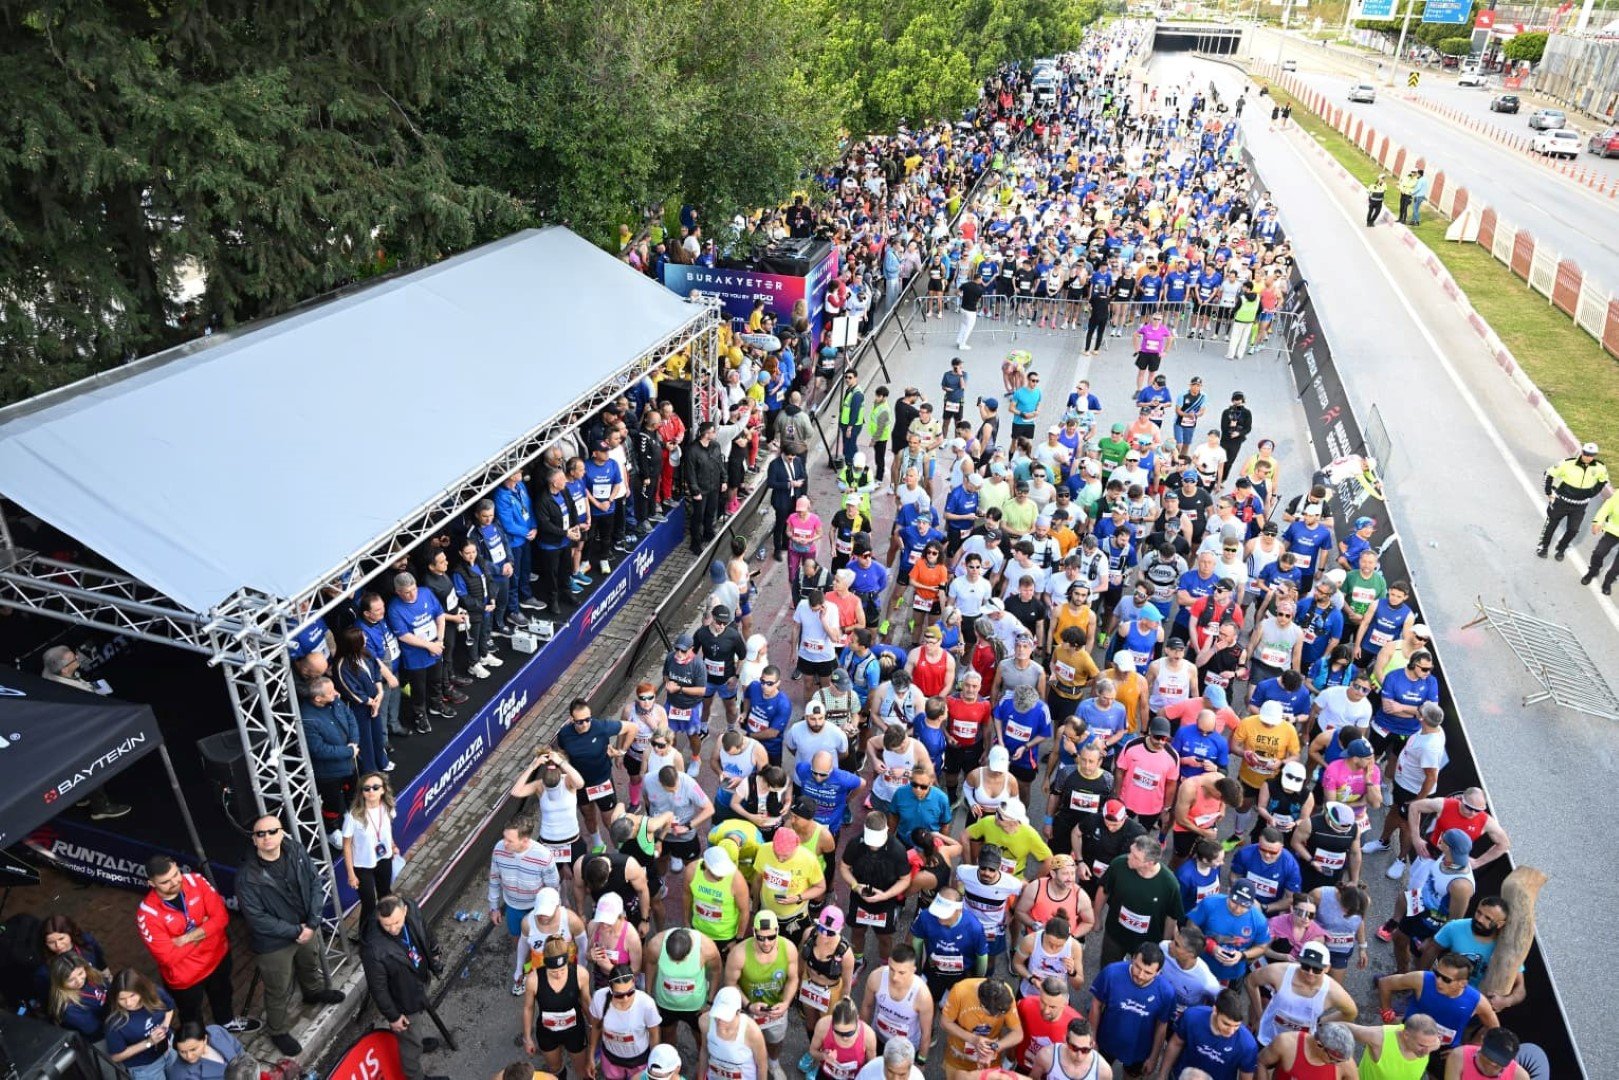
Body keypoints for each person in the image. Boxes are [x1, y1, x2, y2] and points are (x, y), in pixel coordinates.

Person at [235, 813, 346, 1056]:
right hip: (274, 942)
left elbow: (315, 883)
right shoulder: (246, 877)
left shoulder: (295, 849)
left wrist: (313, 921)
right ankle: (278, 1031)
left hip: (306, 926)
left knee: (310, 965)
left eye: (272, 831)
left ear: (282, 832)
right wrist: (297, 931)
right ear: (254, 840)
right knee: (278, 989)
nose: (267, 837)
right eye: (260, 834)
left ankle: (313, 993)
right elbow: (257, 919)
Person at [137, 855, 252, 1033]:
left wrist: (186, 938)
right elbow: (167, 957)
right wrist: (205, 931)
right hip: (186, 978)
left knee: (223, 995)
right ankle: (197, 1042)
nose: (174, 882)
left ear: (177, 866)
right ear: (152, 884)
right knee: (190, 1015)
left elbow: (221, 918)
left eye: (176, 874)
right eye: (165, 882)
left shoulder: (196, 881)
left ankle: (227, 1023)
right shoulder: (148, 914)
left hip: (217, 957)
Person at [361, 895, 446, 1080]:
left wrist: (434, 952)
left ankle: (418, 1042)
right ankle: (416, 1075)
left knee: (415, 1031)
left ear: (405, 911)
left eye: (397, 922)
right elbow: (379, 989)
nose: (393, 929)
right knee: (410, 1044)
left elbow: (425, 930)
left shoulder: (412, 910)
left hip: (417, 981)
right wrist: (393, 1016)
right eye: (387, 925)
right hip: (403, 1000)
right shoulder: (373, 949)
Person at [488, 814, 560, 994]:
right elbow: (494, 878)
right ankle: (528, 969)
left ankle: (540, 972)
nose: (504, 843)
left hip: (536, 910)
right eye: (504, 837)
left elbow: (553, 887)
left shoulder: (544, 856)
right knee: (518, 942)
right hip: (512, 907)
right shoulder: (499, 849)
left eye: (509, 840)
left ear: (525, 840)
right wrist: (494, 906)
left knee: (540, 944)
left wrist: (553, 913)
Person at [1094, 836, 1185, 968]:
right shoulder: (1119, 864)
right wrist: (1097, 918)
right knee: (1108, 970)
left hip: (1148, 942)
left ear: (1150, 863)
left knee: (1140, 976)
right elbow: (1104, 890)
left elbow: (1172, 916)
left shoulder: (1170, 884)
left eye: (1135, 857)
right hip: (1115, 934)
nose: (1129, 857)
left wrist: (1164, 944)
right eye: (1131, 851)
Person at [1088, 942, 1174, 1079]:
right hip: (1105, 1041)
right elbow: (1096, 1004)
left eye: (1148, 973)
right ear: (1132, 958)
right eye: (1138, 967)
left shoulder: (1166, 993)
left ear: (1158, 972)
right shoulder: (1111, 973)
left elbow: (1162, 1025)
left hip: (1139, 1051)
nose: (1140, 975)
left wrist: (1153, 1057)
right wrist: (1091, 1037)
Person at [1248, 943, 1358, 1047]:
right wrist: (1260, 1015)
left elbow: (1351, 1012)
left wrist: (1322, 1022)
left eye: (1316, 969)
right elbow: (1250, 981)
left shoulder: (1332, 991)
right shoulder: (1279, 972)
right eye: (1305, 966)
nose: (1310, 972)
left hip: (1300, 1046)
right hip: (1268, 1037)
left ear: (1327, 968)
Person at [522, 938, 594, 1079]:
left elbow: (586, 1002)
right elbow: (528, 1008)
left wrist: (593, 1026)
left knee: (582, 1070)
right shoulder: (533, 979)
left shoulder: (580, 974)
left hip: (575, 1030)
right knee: (555, 1069)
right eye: (553, 971)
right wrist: (527, 1037)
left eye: (562, 969)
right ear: (545, 964)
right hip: (548, 1033)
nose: (558, 974)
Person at [342, 772, 401, 929]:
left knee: (385, 895)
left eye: (375, 787)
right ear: (362, 792)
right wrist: (351, 874)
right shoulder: (353, 816)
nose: (371, 791)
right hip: (362, 864)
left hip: (384, 858)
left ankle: (387, 927)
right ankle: (366, 937)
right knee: (368, 904)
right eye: (366, 788)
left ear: (383, 790)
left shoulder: (388, 807)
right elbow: (346, 845)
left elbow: (387, 831)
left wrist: (393, 845)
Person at [1159, 990, 1259, 1080]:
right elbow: (1176, 1044)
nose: (1231, 1031)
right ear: (1215, 1010)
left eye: (1236, 1025)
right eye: (1226, 1023)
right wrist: (1162, 1075)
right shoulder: (1192, 1017)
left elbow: (1246, 1076)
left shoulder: (1247, 1044)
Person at [589, 964, 663, 1080]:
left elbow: (654, 1034)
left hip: (639, 1061)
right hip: (611, 1059)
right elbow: (596, 1027)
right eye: (619, 994)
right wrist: (591, 1055)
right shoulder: (599, 998)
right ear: (610, 988)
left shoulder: (646, 1004)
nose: (625, 998)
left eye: (630, 992)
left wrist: (654, 1062)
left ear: (634, 982)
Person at [940, 977, 1021, 1080]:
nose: (998, 1017)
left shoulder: (1005, 994)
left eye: (1001, 1014)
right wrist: (974, 1039)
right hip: (959, 1054)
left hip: (989, 1058)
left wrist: (994, 1047)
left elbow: (1018, 1034)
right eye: (993, 1014)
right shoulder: (959, 990)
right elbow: (944, 1022)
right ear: (981, 1004)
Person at [103, 968, 177, 1080]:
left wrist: (165, 1026)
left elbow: (169, 1008)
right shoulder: (115, 1023)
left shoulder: (155, 993)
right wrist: (149, 1042)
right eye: (121, 999)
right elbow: (116, 1056)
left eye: (132, 996)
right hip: (146, 1067)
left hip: (170, 1049)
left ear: (142, 990)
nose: (128, 1003)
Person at [1537, 441, 1606, 560]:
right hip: (1561, 502)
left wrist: (1592, 493)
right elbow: (1548, 474)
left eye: (1591, 455)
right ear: (1582, 452)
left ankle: (1561, 549)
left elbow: (1602, 481)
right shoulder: (1568, 463)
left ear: (1595, 455)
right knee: (1551, 525)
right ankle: (1543, 546)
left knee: (1573, 530)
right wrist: (1549, 493)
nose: (1588, 457)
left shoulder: (1600, 467)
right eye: (1586, 453)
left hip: (1579, 506)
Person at [1343, 1015, 1442, 1080]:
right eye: (1421, 1045)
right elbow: (1342, 1028)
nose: (1426, 1052)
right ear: (1406, 1035)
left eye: (1430, 1046)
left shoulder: (1433, 1043)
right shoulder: (1378, 1039)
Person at [1254, 1021, 1358, 1080]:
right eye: (1333, 1059)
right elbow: (1262, 1062)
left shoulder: (1346, 1063)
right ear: (1319, 1044)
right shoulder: (1286, 1043)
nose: (1336, 1064)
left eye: (1339, 1061)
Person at [808, 997, 877, 1080]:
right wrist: (824, 1056)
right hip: (826, 1075)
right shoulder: (823, 1026)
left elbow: (872, 1066)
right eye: (839, 1033)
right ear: (832, 1023)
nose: (844, 1038)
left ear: (857, 1020)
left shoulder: (868, 1035)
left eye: (849, 1033)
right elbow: (812, 1051)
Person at [167, 1020, 249, 1080]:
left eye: (193, 1049)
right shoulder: (181, 1075)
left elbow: (238, 1050)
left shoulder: (216, 1031)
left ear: (205, 1039)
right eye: (182, 1052)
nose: (189, 1056)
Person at [1580, 487, 1619, 594]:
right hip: (1613, 530)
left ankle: (1608, 581)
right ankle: (1593, 571)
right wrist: (1597, 521)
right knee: (1599, 552)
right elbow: (1607, 507)